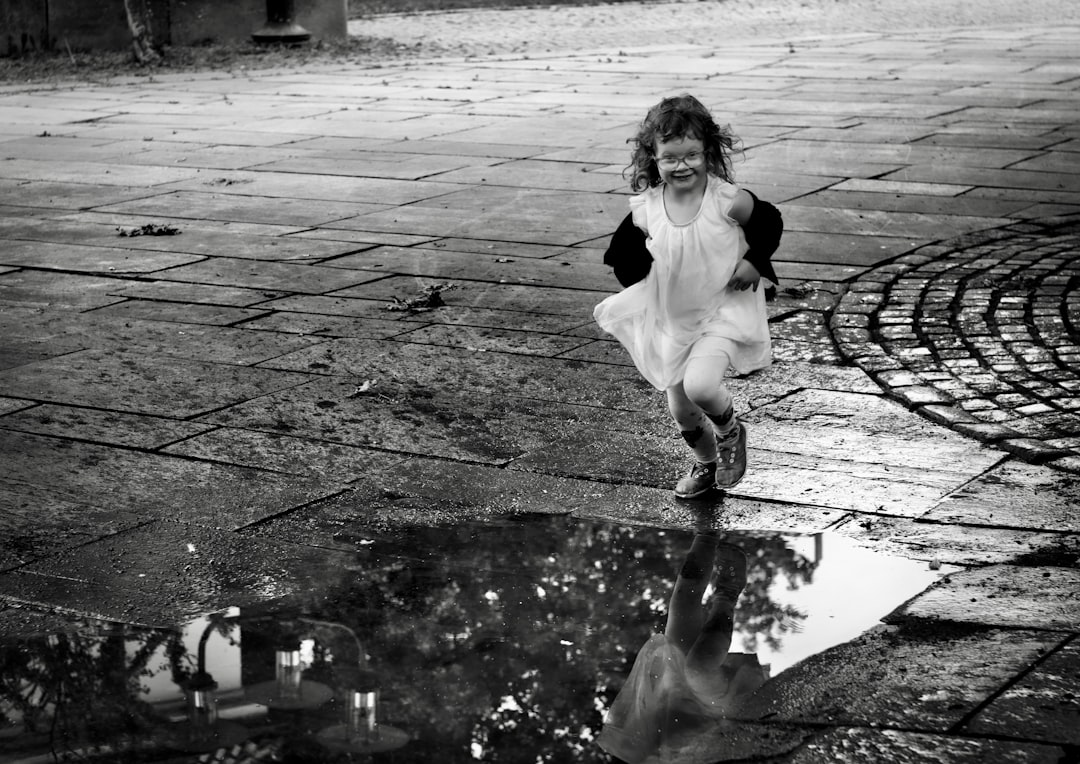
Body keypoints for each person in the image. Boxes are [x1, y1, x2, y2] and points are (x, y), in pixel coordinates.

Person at [594, 94, 783, 498]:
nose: (682, 165)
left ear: (709, 152)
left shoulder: (726, 199)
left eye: (692, 155)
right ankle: (708, 464)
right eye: (671, 158)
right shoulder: (646, 209)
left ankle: (731, 434)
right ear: (654, 158)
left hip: (722, 309)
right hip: (675, 317)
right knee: (681, 409)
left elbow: (770, 220)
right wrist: (643, 282)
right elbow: (621, 256)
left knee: (701, 387)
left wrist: (755, 260)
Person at [597, 534, 767, 763]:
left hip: (672, 693)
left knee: (683, 602)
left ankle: (706, 533)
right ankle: (726, 595)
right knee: (699, 668)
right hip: (715, 712)